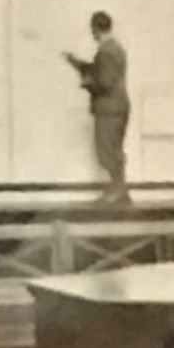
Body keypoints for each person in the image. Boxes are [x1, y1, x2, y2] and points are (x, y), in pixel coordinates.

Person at [64, 11, 130, 204]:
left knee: (106, 150)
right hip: (118, 108)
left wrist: (86, 84)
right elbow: (98, 69)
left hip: (109, 109)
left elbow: (104, 82)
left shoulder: (107, 51)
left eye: (93, 29)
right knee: (114, 150)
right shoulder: (115, 49)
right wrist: (76, 63)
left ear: (96, 28)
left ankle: (117, 191)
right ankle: (120, 191)